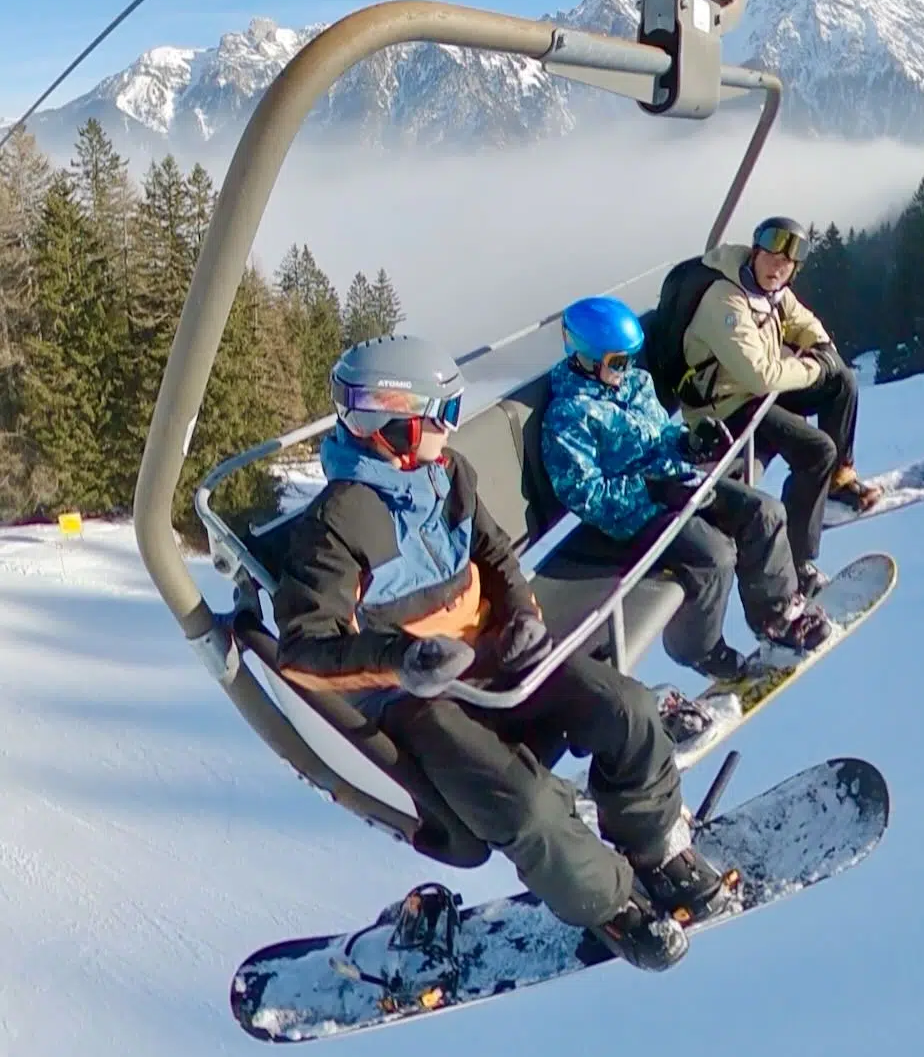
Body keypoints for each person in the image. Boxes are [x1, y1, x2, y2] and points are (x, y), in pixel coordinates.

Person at [271, 333, 732, 973]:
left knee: (626, 708)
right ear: (396, 423)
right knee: (529, 804)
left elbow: (493, 555)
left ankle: (651, 843)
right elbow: (303, 648)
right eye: (442, 414)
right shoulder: (337, 525)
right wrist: (403, 659)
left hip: (492, 654)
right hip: (423, 700)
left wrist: (520, 617)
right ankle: (609, 902)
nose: (450, 427)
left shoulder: (448, 474)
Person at [540, 295, 830, 683]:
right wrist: (652, 490)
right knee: (715, 556)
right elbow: (585, 494)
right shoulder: (568, 416)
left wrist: (689, 442)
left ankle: (776, 616)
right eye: (618, 362)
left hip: (676, 481)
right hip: (632, 515)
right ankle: (699, 649)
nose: (628, 370)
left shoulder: (635, 383)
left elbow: (660, 433)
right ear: (587, 358)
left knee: (764, 513)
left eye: (631, 359)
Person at [678, 216, 882, 596]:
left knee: (841, 382)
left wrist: (823, 351)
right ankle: (796, 564)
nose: (777, 269)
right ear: (754, 253)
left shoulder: (769, 290)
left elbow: (804, 322)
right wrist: (816, 366)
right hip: (724, 409)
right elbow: (761, 376)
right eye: (771, 258)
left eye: (787, 264)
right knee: (816, 451)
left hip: (752, 393)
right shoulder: (726, 300)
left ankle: (838, 480)